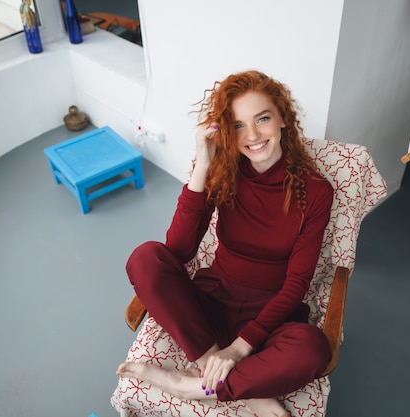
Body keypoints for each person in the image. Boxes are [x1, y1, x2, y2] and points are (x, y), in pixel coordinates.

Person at [116, 70, 334, 417]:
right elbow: (178, 250)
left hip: (270, 318)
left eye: (262, 119)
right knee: (146, 257)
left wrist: (238, 349)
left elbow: (297, 283)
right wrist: (203, 164)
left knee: (313, 348)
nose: (252, 135)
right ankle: (232, 381)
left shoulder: (317, 191)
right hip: (212, 304)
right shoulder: (224, 172)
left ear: (283, 118)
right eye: (237, 125)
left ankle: (188, 385)